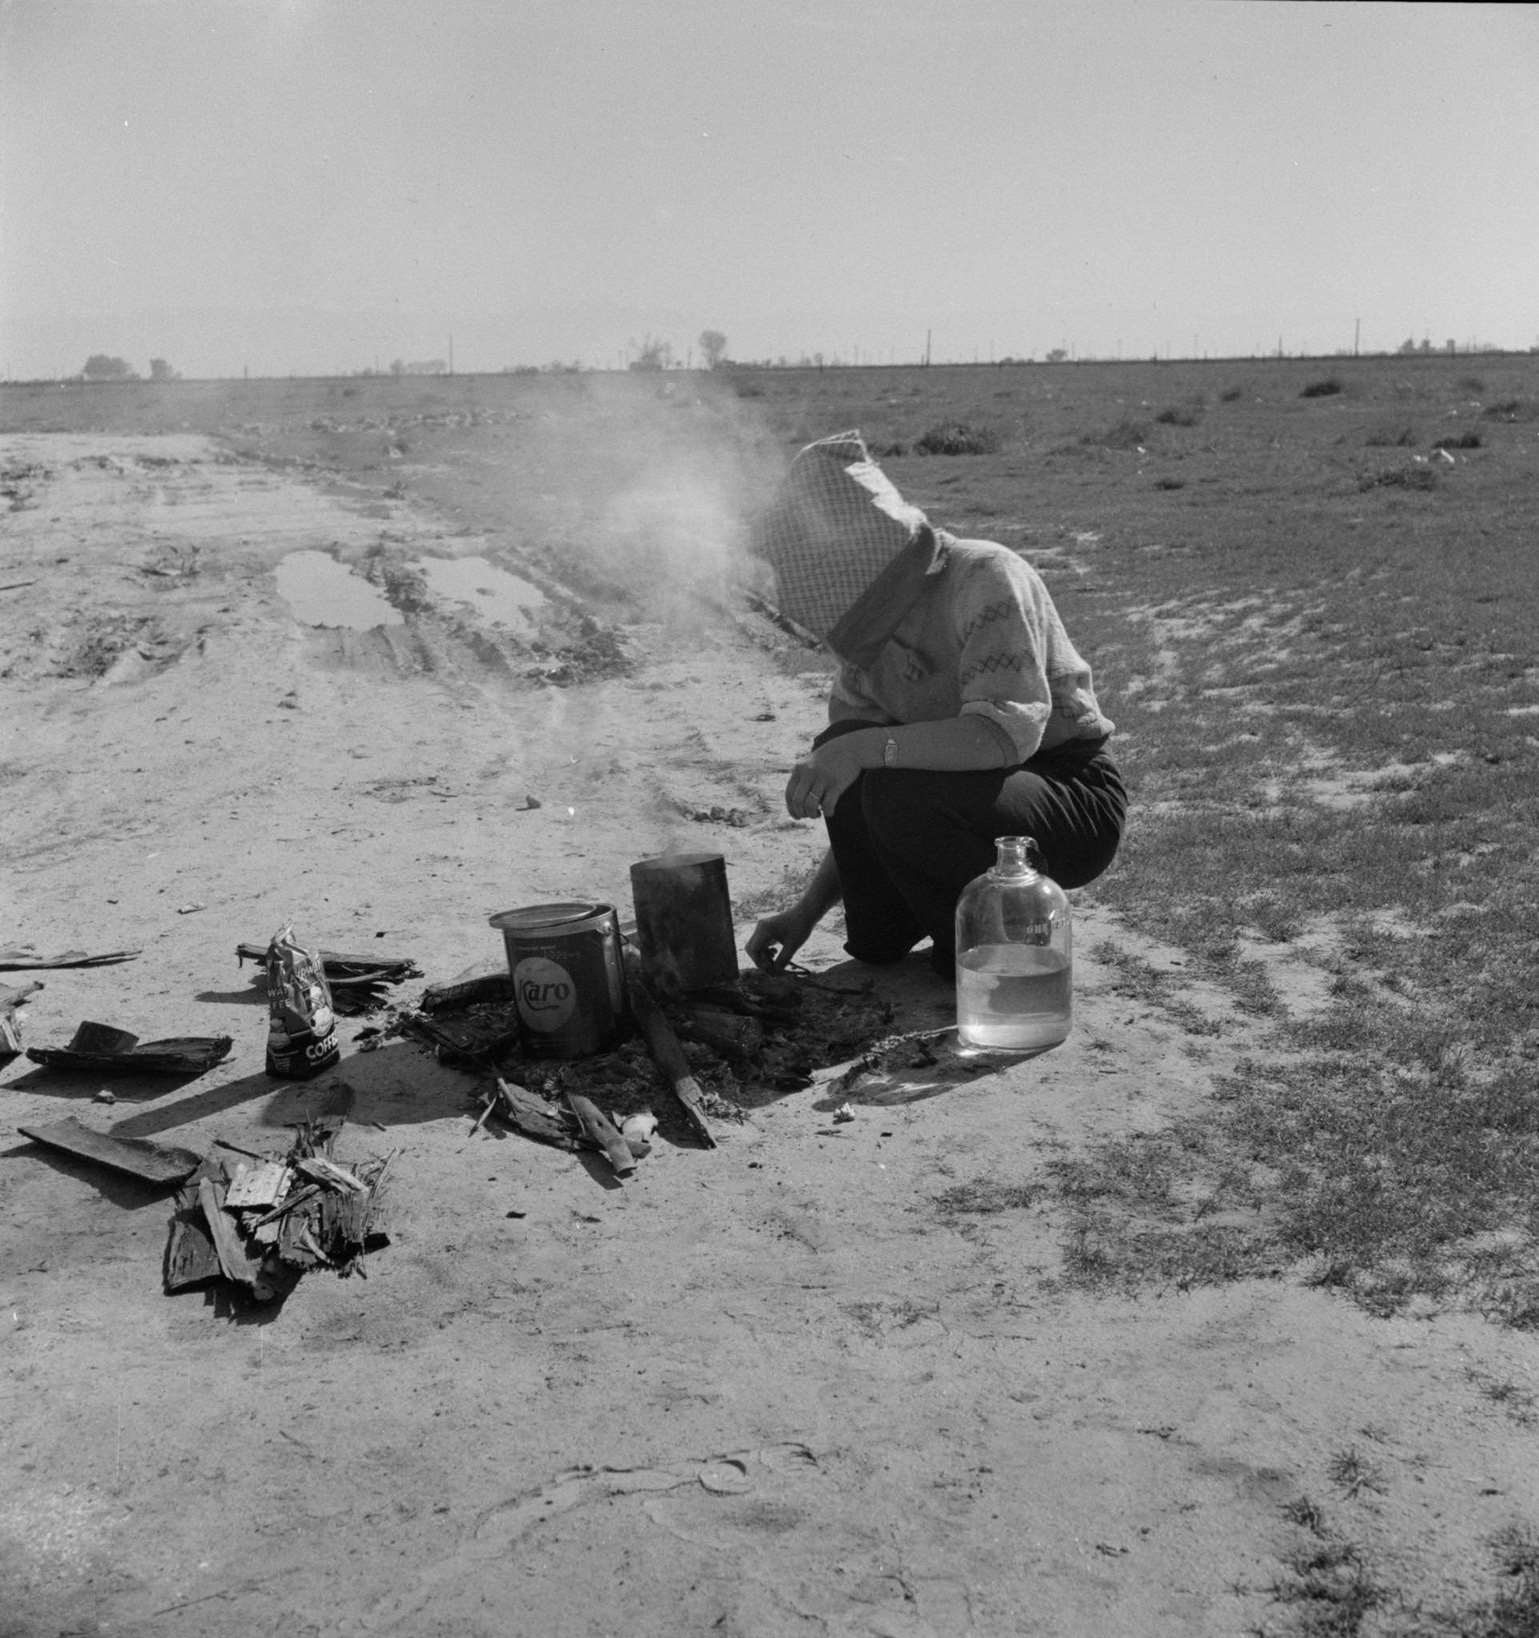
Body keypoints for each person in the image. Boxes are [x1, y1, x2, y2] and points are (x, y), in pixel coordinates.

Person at [744, 429, 1125, 981]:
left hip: (1064, 789)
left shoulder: (984, 577)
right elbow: (856, 785)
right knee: (850, 766)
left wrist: (864, 749)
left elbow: (1006, 735)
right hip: (956, 795)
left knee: (882, 771)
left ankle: (998, 945)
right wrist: (805, 913)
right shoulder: (864, 642)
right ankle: (927, 921)